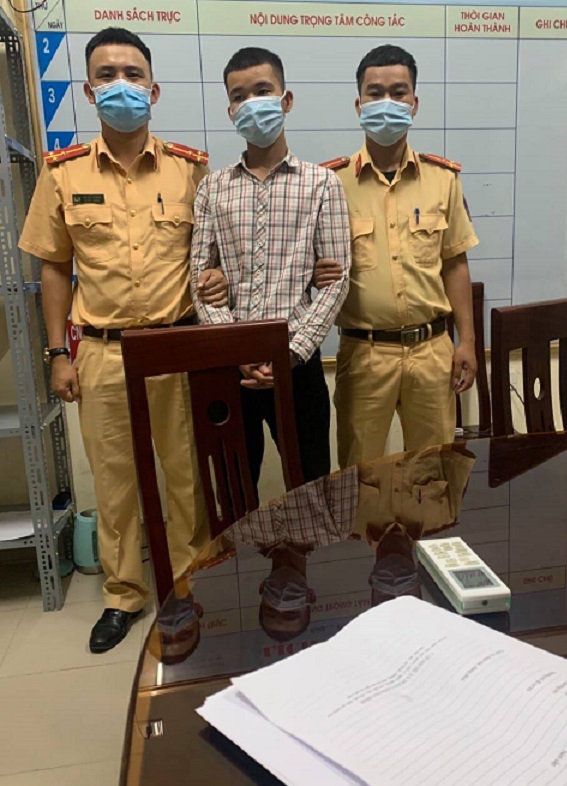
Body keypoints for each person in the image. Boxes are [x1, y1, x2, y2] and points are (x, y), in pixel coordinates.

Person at [19, 27, 227, 653]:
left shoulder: (191, 169)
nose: (121, 86)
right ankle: (124, 594)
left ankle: (188, 583)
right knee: (114, 482)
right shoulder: (63, 173)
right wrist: (58, 354)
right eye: (107, 75)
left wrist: (216, 276)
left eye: (133, 75)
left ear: (153, 89)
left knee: (185, 476)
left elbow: (215, 253)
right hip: (103, 350)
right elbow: (54, 267)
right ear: (88, 91)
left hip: (175, 347)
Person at [191, 47, 351, 495]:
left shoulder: (323, 184)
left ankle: (308, 549)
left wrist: (290, 353)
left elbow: (336, 283)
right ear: (230, 111)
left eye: (263, 91)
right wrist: (234, 347)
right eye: (239, 96)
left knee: (312, 493)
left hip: (298, 366)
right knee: (233, 495)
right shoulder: (212, 189)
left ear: (286, 99)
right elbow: (200, 281)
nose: (252, 103)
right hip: (230, 370)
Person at [315, 45, 479, 468]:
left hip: (432, 351)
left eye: (398, 92)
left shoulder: (442, 179)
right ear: (358, 104)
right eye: (375, 93)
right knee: (361, 477)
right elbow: (312, 268)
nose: (386, 102)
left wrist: (467, 342)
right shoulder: (330, 184)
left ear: (414, 103)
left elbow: (455, 263)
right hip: (365, 353)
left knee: (434, 473)